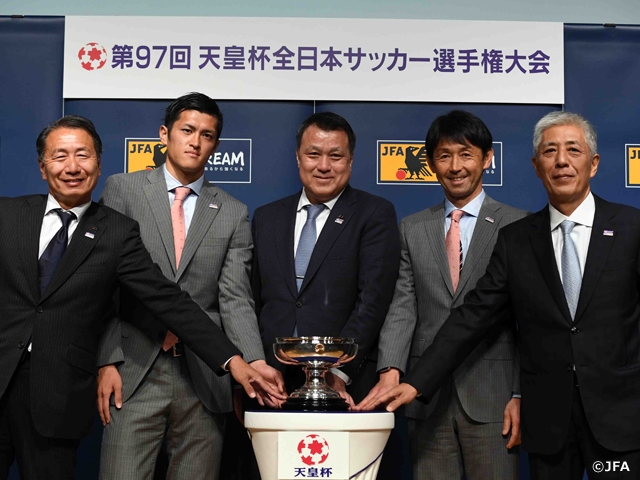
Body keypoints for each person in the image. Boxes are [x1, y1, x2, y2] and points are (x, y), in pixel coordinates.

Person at [0, 114, 284, 480]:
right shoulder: (7, 215)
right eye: (60, 156)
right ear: (42, 167)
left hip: (55, 398)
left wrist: (235, 361)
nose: (72, 166)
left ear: (99, 165)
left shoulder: (116, 233)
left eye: (83, 156)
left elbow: (169, 299)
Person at [361, 111, 640, 480]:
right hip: (549, 421)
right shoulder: (519, 239)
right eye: (549, 152)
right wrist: (417, 380)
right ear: (536, 166)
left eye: (573, 150)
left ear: (594, 163)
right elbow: (472, 316)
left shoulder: (633, 228)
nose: (561, 161)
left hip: (620, 415)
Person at [95, 93, 284, 480]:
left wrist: (253, 360)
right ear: (165, 134)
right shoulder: (123, 190)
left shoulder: (232, 211)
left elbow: (234, 298)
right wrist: (106, 359)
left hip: (204, 375)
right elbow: (103, 286)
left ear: (216, 145)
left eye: (207, 135)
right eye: (187, 130)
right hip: (133, 369)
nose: (196, 141)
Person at [357, 110, 526, 480]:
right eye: (444, 155)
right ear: (431, 162)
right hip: (424, 399)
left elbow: (528, 321)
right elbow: (402, 307)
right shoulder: (412, 228)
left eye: (466, 154)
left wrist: (519, 394)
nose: (455, 166)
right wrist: (390, 371)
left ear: (487, 158)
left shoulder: (519, 226)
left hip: (492, 397)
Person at [251, 111, 401, 405]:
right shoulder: (266, 217)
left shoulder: (374, 214)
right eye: (313, 154)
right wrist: (254, 366)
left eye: (335, 155)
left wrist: (338, 371)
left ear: (350, 160)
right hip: (271, 382)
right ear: (297, 157)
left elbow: (373, 301)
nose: (323, 166)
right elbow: (251, 299)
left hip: (342, 384)